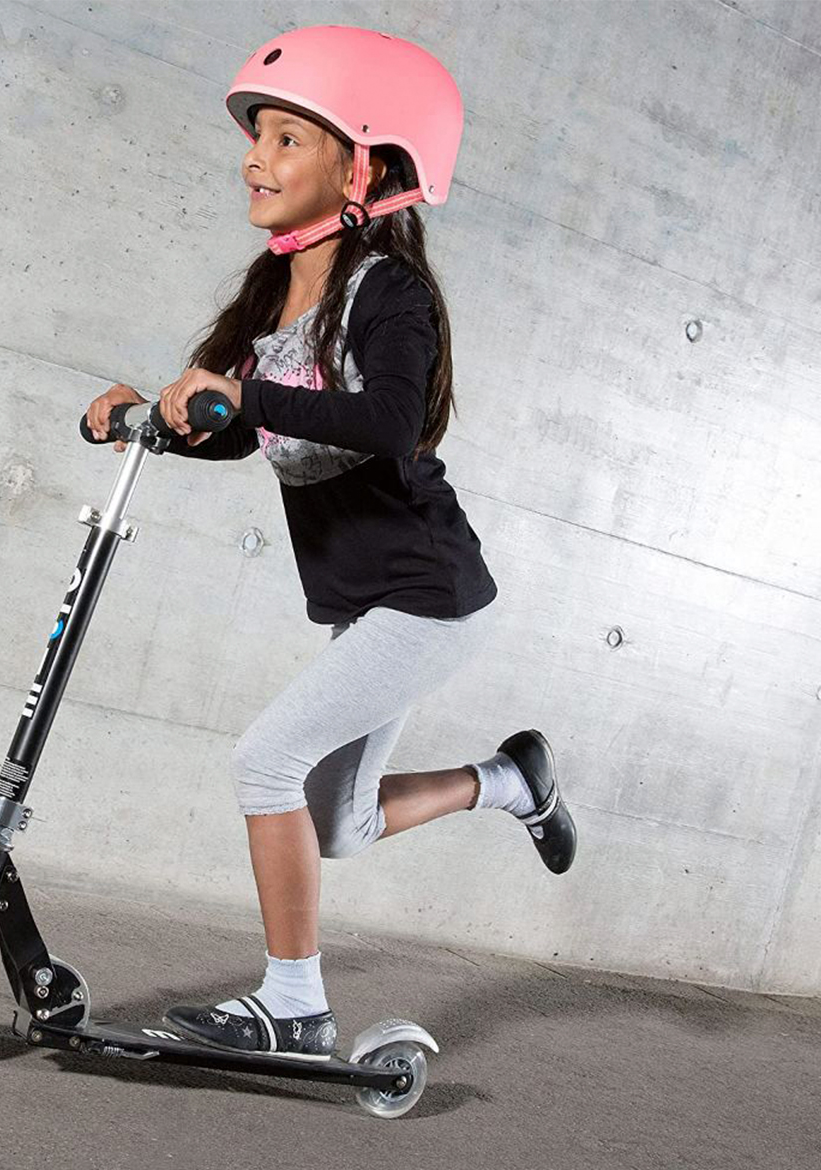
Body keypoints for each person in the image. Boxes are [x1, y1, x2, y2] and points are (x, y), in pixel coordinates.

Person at [84, 24, 576, 1061]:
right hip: (368, 602)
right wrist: (148, 416)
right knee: (339, 825)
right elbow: (246, 429)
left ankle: (296, 1005)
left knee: (265, 762)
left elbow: (390, 422)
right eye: (256, 137)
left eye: (286, 140)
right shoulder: (274, 290)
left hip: (428, 595)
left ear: (363, 168)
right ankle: (511, 781)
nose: (255, 160)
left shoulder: (386, 292)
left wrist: (248, 396)